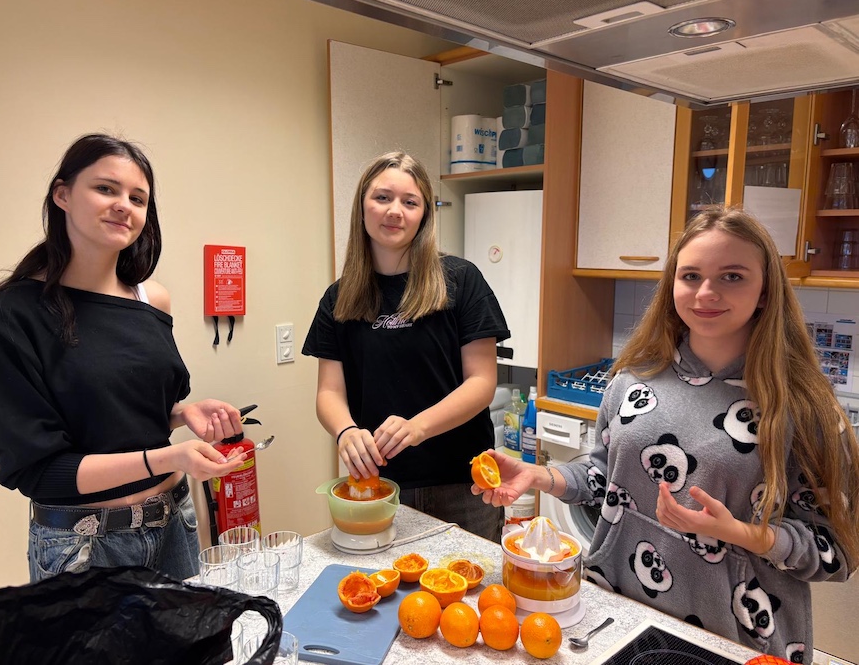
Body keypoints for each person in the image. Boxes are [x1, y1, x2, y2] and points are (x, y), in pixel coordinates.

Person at [473, 207, 859, 659]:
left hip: (735, 639)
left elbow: (838, 552)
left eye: (732, 276)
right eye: (691, 275)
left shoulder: (804, 406)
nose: (706, 292)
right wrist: (540, 476)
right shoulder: (633, 380)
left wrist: (746, 534)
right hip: (617, 616)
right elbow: (605, 479)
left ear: (765, 292)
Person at [0, 133, 248, 583]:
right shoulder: (5, 318)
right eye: (105, 189)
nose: (123, 206)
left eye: (138, 198)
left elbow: (112, 417)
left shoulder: (151, 299)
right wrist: (168, 458)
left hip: (175, 522)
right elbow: (42, 472)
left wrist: (181, 413)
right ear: (62, 195)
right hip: (83, 546)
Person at [302, 151, 510, 542]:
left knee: (468, 582)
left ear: (424, 214)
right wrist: (346, 431)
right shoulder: (338, 298)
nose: (395, 211)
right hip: (378, 485)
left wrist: (417, 428)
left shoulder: (462, 280)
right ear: (362, 206)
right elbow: (329, 392)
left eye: (410, 202)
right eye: (382, 197)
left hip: (462, 484)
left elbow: (482, 383)